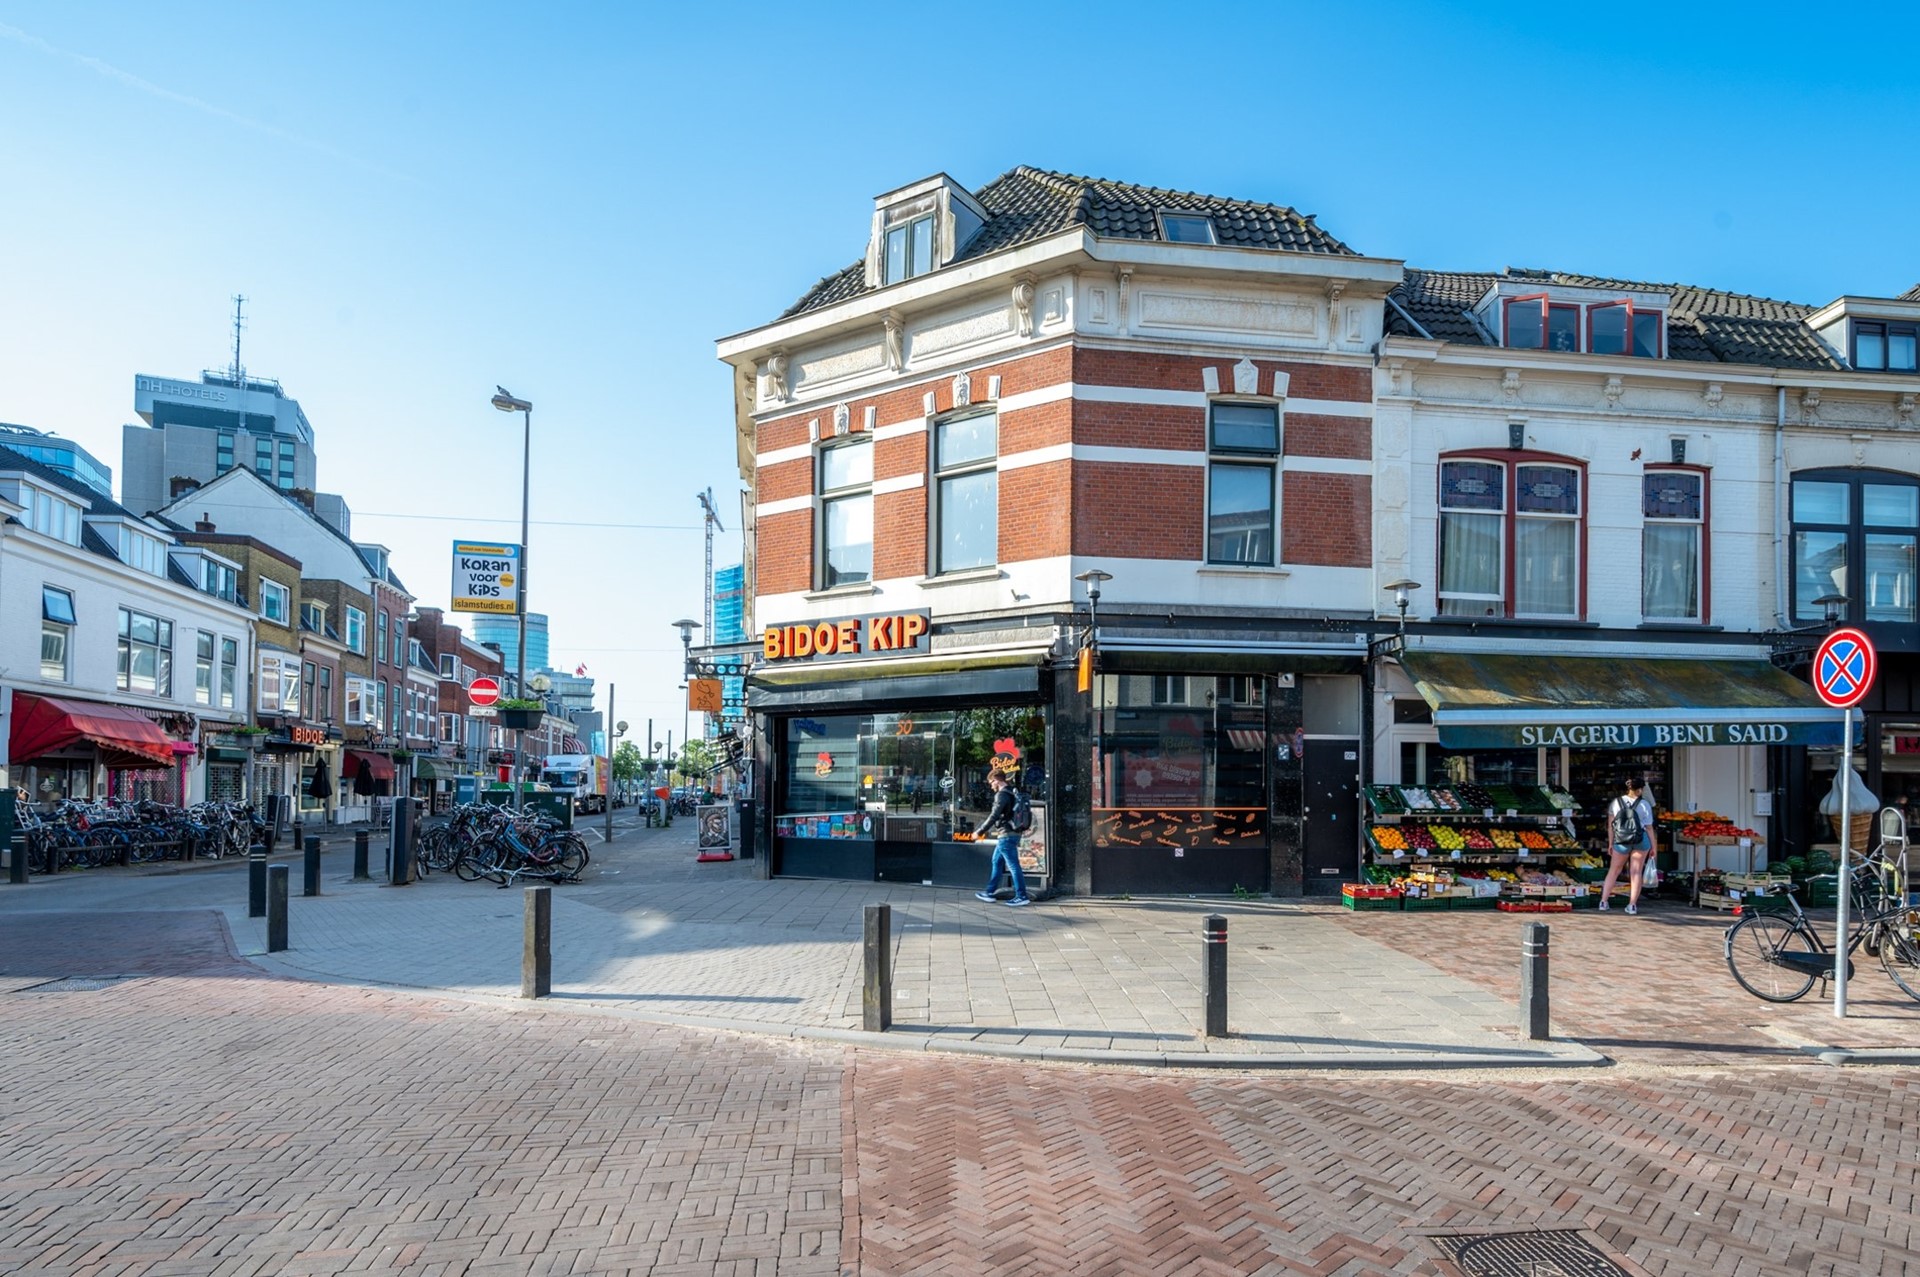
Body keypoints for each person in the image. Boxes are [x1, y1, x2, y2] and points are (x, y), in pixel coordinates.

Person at [973, 765, 1031, 907]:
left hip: (1006, 835)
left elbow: (994, 815)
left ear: (996, 780)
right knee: (997, 862)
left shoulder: (1001, 795)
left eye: (991, 782)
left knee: (1013, 866)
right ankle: (990, 892)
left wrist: (980, 831)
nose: (991, 786)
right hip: (1012, 833)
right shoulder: (1012, 792)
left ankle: (1022, 896)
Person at [1599, 776, 1656, 915]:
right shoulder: (1645, 804)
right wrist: (1653, 847)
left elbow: (1610, 826)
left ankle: (1603, 902)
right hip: (1640, 840)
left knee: (1614, 871)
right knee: (1636, 872)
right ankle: (1632, 905)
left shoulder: (1616, 803)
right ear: (1640, 790)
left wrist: (1611, 843)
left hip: (1621, 840)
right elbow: (1649, 828)